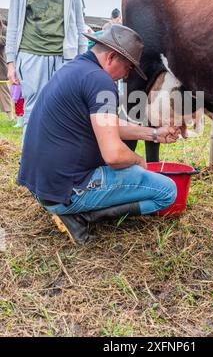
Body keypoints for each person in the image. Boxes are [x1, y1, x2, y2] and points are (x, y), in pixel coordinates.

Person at [18, 24, 180, 245]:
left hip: (44, 187)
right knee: (167, 192)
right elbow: (113, 155)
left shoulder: (75, 69)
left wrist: (153, 134)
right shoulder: (101, 81)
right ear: (112, 57)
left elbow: (106, 125)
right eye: (128, 68)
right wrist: (138, 160)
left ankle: (73, 211)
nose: (126, 76)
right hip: (68, 191)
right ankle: (81, 217)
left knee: (129, 150)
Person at [5, 0, 86, 137]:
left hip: (64, 57)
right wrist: (11, 62)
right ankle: (30, 163)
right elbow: (13, 25)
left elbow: (79, 25)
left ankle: (58, 163)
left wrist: (81, 59)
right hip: (31, 56)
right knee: (33, 109)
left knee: (64, 110)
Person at [0, 17, 14, 122]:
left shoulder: (4, 29)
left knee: (4, 91)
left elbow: (7, 41)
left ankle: (11, 118)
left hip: (2, 66)